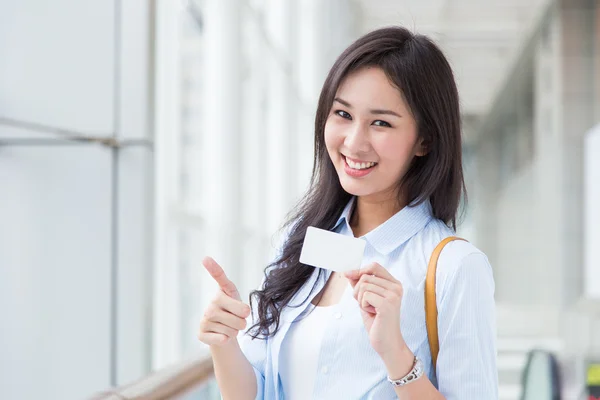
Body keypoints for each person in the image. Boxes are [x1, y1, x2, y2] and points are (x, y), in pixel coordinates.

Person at [198, 26, 498, 399]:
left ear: (425, 139)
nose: (354, 142)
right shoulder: (306, 242)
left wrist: (397, 355)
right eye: (343, 114)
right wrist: (223, 342)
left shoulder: (455, 266)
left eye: (381, 122)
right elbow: (256, 392)